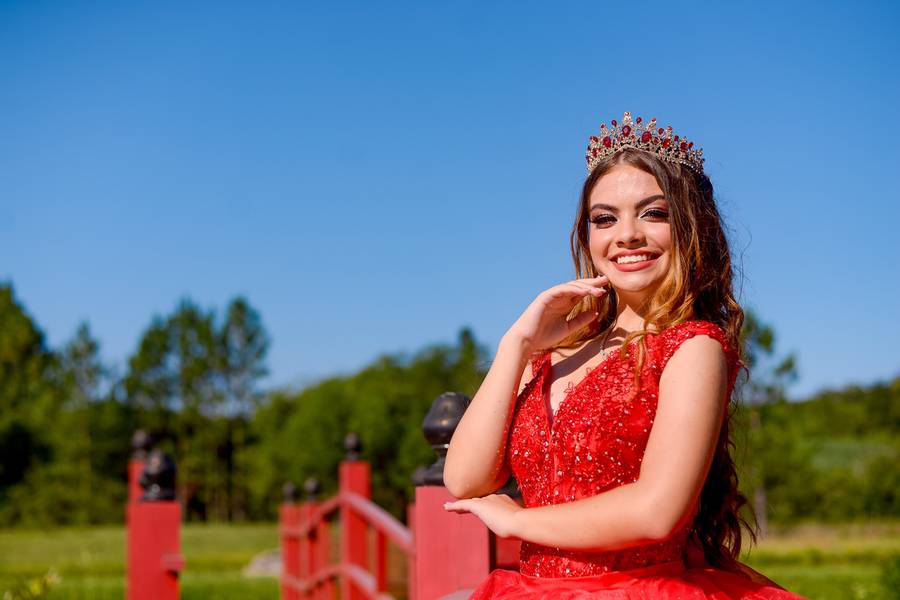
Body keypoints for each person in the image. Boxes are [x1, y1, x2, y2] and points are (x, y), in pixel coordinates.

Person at [442, 112, 805, 599]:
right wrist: (518, 344)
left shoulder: (693, 347)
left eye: (653, 213)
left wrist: (519, 521)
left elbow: (657, 512)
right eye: (605, 218)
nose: (627, 234)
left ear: (691, 227)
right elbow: (464, 479)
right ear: (587, 236)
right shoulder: (553, 352)